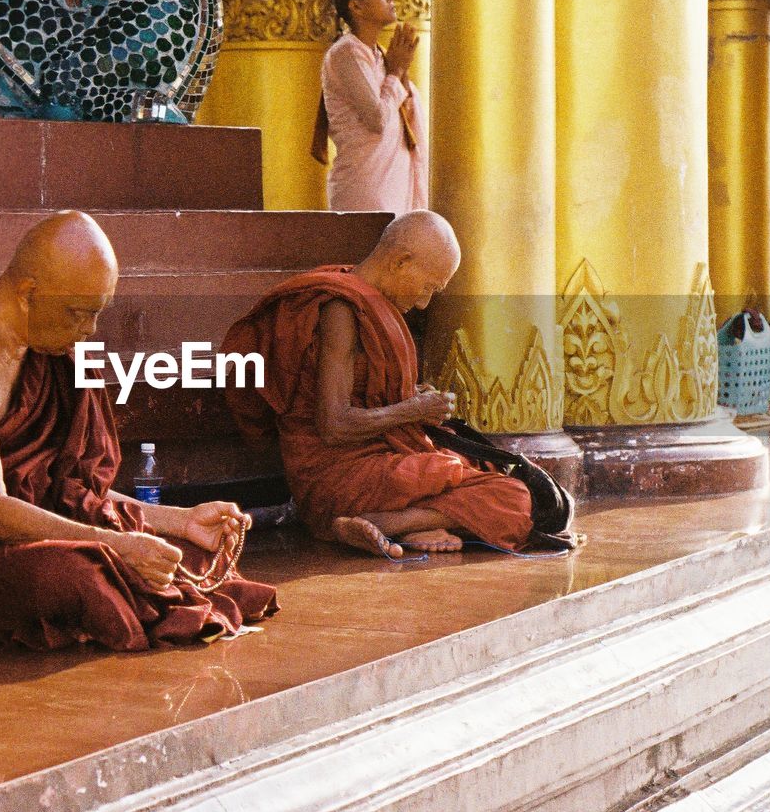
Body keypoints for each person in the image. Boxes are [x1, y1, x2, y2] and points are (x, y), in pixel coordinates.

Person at [0, 211, 278, 651]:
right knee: (75, 576)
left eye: (97, 315)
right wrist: (116, 545)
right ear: (28, 294)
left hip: (30, 541)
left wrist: (181, 520)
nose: (89, 331)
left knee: (190, 553)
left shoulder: (49, 351)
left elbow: (68, 492)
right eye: (78, 314)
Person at [221, 212, 576, 559]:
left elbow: (365, 393)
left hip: (378, 462)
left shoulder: (369, 300)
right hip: (337, 477)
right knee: (513, 497)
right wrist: (412, 410)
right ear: (401, 262)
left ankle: (395, 524)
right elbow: (333, 425)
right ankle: (386, 523)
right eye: (428, 287)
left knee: (497, 479)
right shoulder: (340, 309)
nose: (424, 302)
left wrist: (407, 398)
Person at [316, 0, 429, 214]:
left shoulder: (380, 55)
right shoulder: (345, 53)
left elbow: (405, 117)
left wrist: (401, 73)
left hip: (396, 184)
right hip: (365, 190)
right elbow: (377, 119)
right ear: (356, 7)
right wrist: (397, 71)